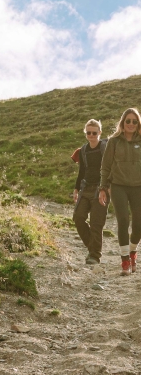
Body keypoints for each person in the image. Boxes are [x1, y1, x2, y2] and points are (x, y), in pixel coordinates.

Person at [99, 107, 141, 275]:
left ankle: (132, 252)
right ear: (123, 122)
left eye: (134, 121)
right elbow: (105, 166)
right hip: (118, 186)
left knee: (138, 224)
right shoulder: (113, 141)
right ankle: (125, 260)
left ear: (138, 124)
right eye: (128, 121)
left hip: (138, 187)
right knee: (123, 221)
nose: (131, 124)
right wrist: (103, 187)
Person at [71, 119, 108, 265]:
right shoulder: (83, 150)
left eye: (94, 132)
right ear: (85, 133)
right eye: (88, 132)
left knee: (96, 223)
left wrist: (106, 188)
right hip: (86, 188)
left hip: (101, 189)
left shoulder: (105, 147)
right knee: (78, 217)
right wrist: (76, 189)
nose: (91, 135)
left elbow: (111, 168)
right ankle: (93, 248)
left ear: (100, 133)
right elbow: (82, 171)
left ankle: (94, 256)